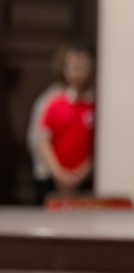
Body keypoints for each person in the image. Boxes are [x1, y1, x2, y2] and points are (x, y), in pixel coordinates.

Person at [36, 42, 96, 204]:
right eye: (72, 66)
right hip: (54, 181)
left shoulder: (96, 107)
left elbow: (98, 147)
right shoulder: (55, 104)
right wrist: (59, 173)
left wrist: (82, 173)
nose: (76, 72)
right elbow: (43, 141)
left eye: (82, 66)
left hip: (85, 183)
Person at [27, 45, 67, 202]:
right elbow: (37, 139)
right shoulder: (50, 100)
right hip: (49, 176)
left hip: (76, 177)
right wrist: (58, 172)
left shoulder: (87, 100)